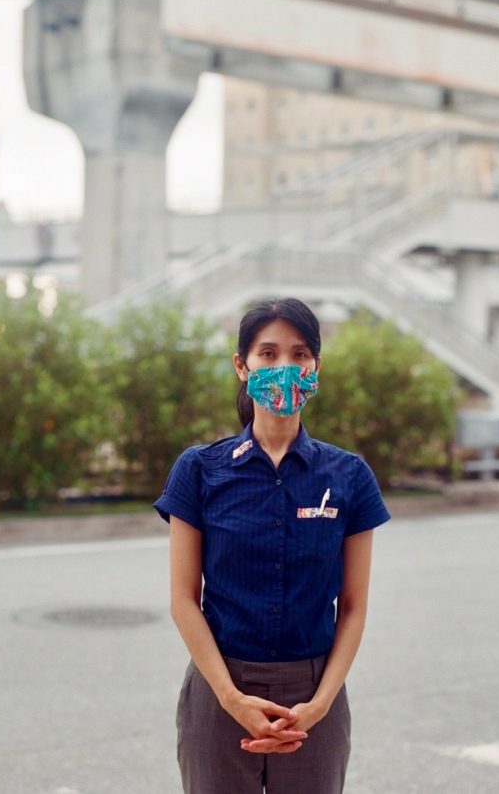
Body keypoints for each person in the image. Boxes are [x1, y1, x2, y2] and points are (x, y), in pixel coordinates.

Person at [154, 297, 391, 794]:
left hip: (315, 692)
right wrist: (231, 698)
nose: (284, 368)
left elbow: (352, 607)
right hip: (221, 690)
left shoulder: (348, 476)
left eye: (300, 354)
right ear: (242, 366)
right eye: (268, 354)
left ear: (316, 367)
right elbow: (183, 600)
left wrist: (321, 703)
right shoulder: (200, 471)